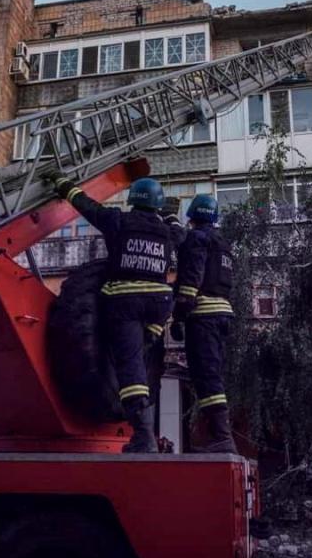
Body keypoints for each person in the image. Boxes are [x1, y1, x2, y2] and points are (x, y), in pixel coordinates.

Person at [48, 173, 184, 453]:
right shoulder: (166, 232)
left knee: (130, 363)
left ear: (133, 200)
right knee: (144, 350)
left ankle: (144, 436)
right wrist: (170, 216)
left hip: (126, 302)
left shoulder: (119, 221)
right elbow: (180, 233)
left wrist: (64, 186)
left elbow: (87, 206)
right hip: (159, 304)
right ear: (157, 205)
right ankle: (149, 338)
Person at [172, 194, 239, 454]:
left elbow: (191, 278)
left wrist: (178, 315)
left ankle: (222, 437)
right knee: (212, 374)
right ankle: (219, 436)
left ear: (191, 216)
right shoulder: (222, 243)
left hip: (203, 315)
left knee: (205, 375)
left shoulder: (197, 239)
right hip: (222, 314)